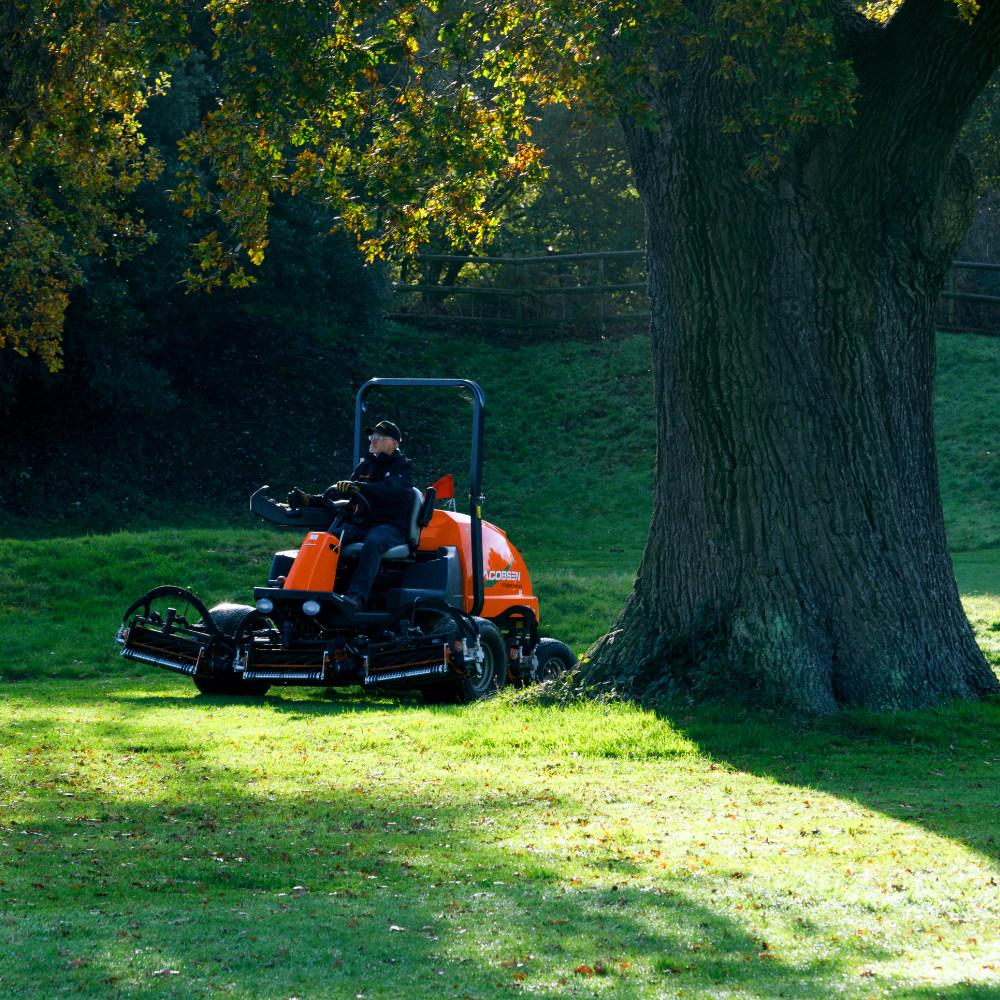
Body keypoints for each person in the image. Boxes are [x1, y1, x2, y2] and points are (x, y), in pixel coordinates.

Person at [289, 420, 414, 612]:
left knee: (373, 542)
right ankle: (302, 584)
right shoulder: (365, 467)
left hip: (391, 527)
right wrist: (309, 500)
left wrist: (362, 488)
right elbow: (345, 494)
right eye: (372, 436)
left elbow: (394, 491)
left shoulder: (402, 467)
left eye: (378, 437)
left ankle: (356, 597)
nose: (372, 440)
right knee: (331, 538)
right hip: (362, 524)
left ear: (393, 443)